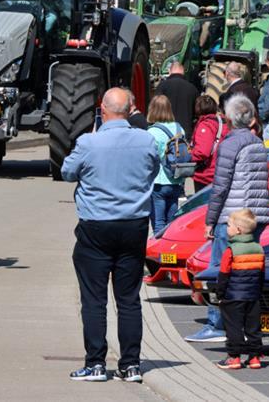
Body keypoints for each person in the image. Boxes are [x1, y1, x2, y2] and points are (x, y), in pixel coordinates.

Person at [62, 88, 159, 383]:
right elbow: (153, 170)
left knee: (94, 299)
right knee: (128, 299)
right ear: (131, 111)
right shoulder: (146, 140)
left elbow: (67, 172)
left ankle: (95, 364)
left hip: (97, 226)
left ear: (102, 110)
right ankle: (130, 365)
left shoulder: (89, 142)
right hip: (134, 225)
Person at [185, 95, 269, 343]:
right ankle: (246, 324)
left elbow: (220, 186)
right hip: (256, 215)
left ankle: (217, 323)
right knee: (248, 273)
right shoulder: (257, 143)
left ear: (229, 118)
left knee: (220, 271)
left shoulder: (230, 144)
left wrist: (210, 219)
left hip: (232, 217)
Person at [215, 208, 265, 371]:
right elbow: (261, 274)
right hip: (253, 295)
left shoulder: (230, 251)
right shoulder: (259, 249)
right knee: (253, 327)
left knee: (234, 326)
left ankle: (234, 357)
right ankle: (255, 357)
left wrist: (220, 294)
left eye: (228, 225)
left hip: (233, 295)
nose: (226, 228)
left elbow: (223, 275)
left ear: (237, 230)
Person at [146, 95, 186, 234]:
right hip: (176, 179)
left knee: (158, 223)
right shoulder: (179, 129)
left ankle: (160, 255)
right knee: (171, 223)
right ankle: (170, 253)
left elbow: (149, 158)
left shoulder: (152, 132)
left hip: (158, 183)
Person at [191, 94, 229, 193]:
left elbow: (202, 152)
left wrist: (190, 155)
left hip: (206, 175)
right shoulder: (224, 122)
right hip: (223, 171)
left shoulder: (205, 125)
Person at [154, 61, 199, 137]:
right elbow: (196, 113)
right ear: (183, 72)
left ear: (169, 71)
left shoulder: (162, 86)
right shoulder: (193, 89)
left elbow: (155, 108)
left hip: (165, 132)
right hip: (185, 133)